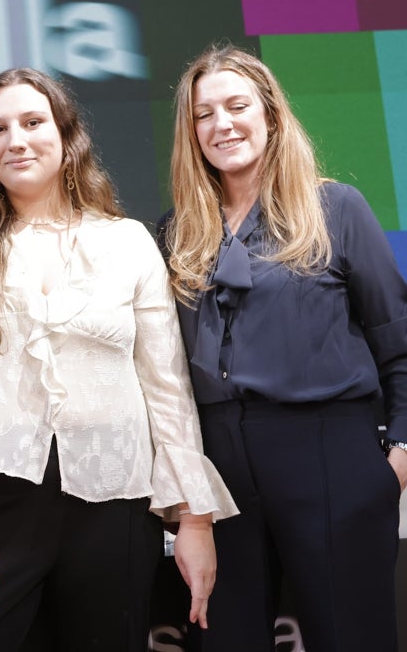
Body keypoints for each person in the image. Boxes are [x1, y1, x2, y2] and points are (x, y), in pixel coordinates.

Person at [0, 68, 237, 651]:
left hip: (116, 505)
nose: (15, 140)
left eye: (33, 122)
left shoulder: (128, 241)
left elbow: (166, 388)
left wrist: (194, 519)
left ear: (66, 137)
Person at [159, 45, 407, 652]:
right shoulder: (172, 233)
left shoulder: (334, 210)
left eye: (237, 106)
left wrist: (399, 456)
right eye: (204, 114)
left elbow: (398, 343)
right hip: (222, 475)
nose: (222, 124)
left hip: (329, 455)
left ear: (270, 114)